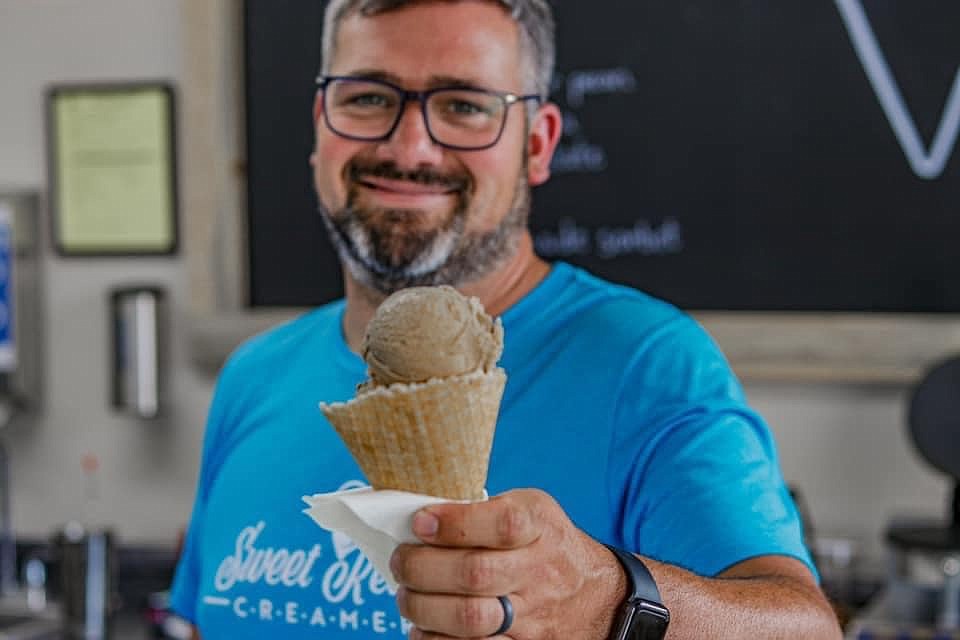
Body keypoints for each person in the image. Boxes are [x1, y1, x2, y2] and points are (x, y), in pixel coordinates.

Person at [170, 0, 843, 638]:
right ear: (321, 122)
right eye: (368, 98)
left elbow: (807, 628)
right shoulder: (254, 376)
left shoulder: (648, 365)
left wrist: (611, 601)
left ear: (539, 144)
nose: (411, 149)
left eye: (464, 106)